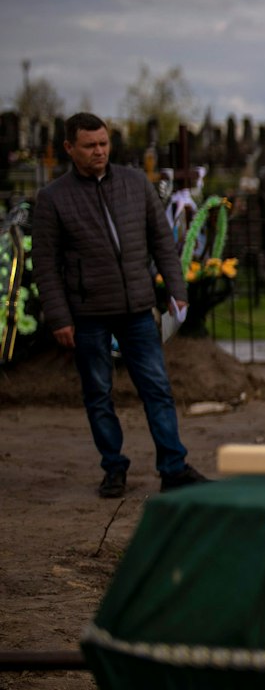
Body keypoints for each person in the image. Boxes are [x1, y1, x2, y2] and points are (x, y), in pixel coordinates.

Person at [31, 112, 210, 497]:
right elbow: (45, 264)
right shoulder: (53, 199)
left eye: (103, 143)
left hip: (137, 308)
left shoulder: (134, 184)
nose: (99, 151)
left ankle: (173, 468)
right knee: (98, 394)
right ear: (69, 148)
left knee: (157, 389)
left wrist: (176, 289)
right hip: (88, 314)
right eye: (89, 145)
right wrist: (59, 316)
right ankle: (113, 468)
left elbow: (161, 240)